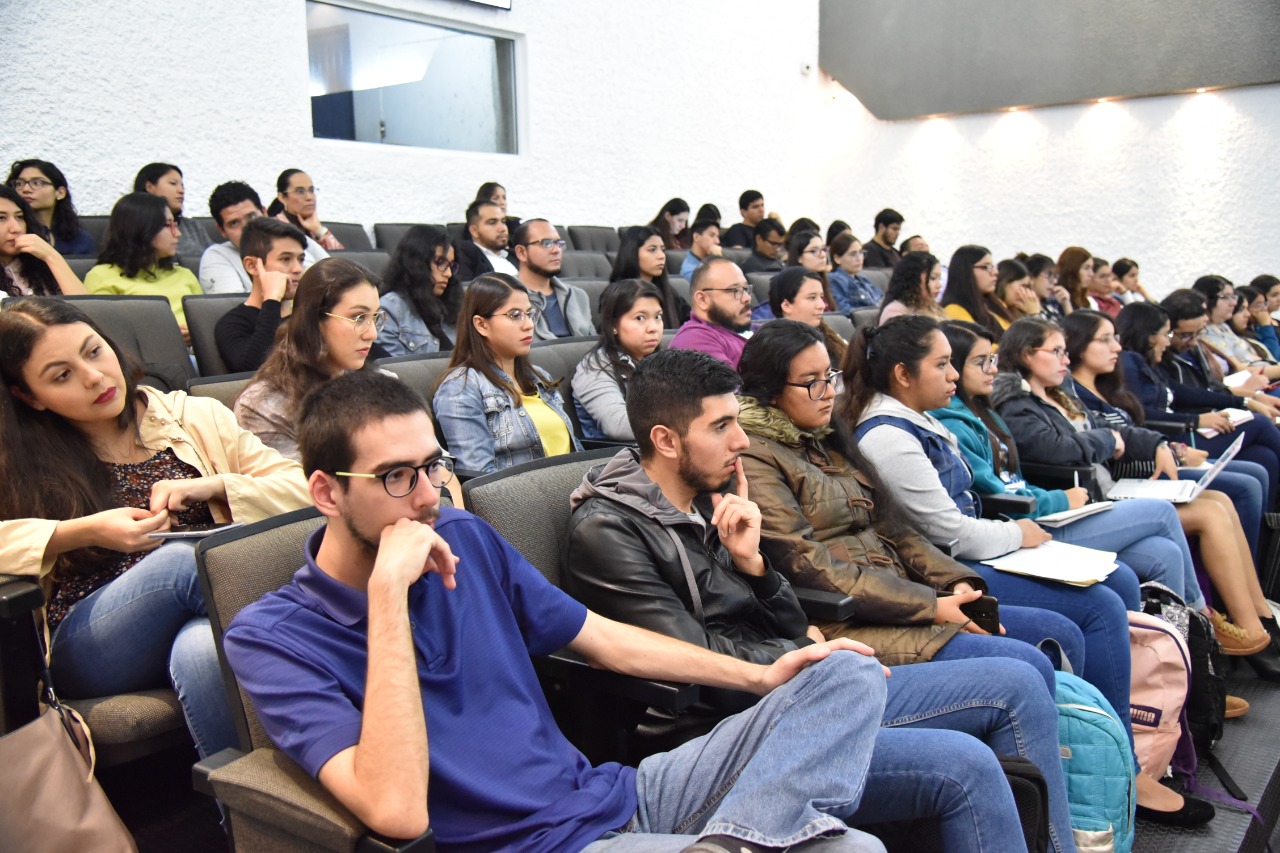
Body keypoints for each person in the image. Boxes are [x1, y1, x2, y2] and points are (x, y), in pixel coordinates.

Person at [224, 368, 893, 853]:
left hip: (613, 793)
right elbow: (396, 811)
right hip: (533, 845)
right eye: (397, 476)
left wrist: (761, 676)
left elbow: (599, 637)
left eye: (433, 466)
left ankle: (729, 844)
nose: (429, 496)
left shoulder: (463, 536)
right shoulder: (272, 637)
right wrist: (387, 598)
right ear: (326, 491)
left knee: (845, 676)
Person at [565, 346, 1072, 852]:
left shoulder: (712, 497)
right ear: (665, 440)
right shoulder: (608, 531)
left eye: (737, 422)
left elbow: (789, 622)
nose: (742, 441)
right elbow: (691, 657)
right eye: (720, 427)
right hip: (727, 731)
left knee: (1018, 680)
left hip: (798, 691)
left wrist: (754, 567)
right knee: (966, 764)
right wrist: (801, 654)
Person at [838, 314, 1215, 825]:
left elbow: (972, 506)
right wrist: (1022, 533)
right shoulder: (888, 435)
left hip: (975, 550)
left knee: (1121, 578)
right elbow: (950, 533)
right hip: (952, 569)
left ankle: (1128, 743)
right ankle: (1117, 766)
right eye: (943, 364)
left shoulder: (921, 418)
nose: (954, 376)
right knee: (1101, 606)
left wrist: (1021, 524)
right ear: (904, 374)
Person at [0, 297, 309, 761]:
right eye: (61, 375)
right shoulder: (17, 460)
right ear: (28, 395)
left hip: (209, 614)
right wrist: (80, 532)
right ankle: (326, 630)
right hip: (90, 642)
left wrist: (218, 487)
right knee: (187, 561)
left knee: (202, 648)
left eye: (93, 351)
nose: (95, 377)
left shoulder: (193, 417)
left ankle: (258, 820)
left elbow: (306, 488)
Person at [949, 317, 1274, 663]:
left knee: (1164, 551)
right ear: (1028, 355)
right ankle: (1202, 630)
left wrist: (1157, 444)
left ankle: (1178, 674)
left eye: (993, 360)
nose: (1066, 359)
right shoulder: (1008, 406)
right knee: (1187, 509)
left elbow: (1111, 432)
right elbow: (1051, 455)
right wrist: (1102, 449)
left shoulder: (1034, 399)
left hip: (1076, 500)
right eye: (1056, 351)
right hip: (1051, 512)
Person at [1058, 312, 1280, 670]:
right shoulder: (1073, 397)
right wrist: (1170, 448)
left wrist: (1166, 448)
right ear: (1078, 344)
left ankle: (1260, 616)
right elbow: (1107, 454)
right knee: (1215, 507)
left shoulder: (1105, 387)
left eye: (1116, 337)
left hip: (1139, 479)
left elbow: (1136, 434)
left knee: (1223, 496)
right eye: (1105, 339)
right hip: (1118, 490)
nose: (1117, 346)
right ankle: (1251, 632)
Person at [1115, 298, 1280, 507]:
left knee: (1263, 457)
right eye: (1167, 334)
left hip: (1178, 431)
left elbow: (1185, 393)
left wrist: (1242, 401)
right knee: (1260, 424)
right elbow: (1141, 414)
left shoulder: (1146, 362)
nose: (1168, 342)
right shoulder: (1128, 362)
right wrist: (1196, 420)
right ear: (1148, 336)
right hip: (1170, 437)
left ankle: (1269, 529)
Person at [234, 258, 382, 461]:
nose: (372, 334)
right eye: (359, 318)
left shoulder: (382, 383)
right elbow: (302, 487)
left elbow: (433, 460)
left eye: (375, 318)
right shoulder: (264, 406)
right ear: (314, 321)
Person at [433, 273, 580, 474]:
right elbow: (479, 477)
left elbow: (574, 451)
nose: (529, 324)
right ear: (481, 324)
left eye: (529, 313)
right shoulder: (462, 386)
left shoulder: (538, 376)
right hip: (523, 501)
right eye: (515, 315)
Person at [85, 192, 202, 338]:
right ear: (142, 229)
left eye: (176, 225)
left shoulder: (184, 274)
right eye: (168, 225)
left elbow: (203, 323)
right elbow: (106, 333)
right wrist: (164, 336)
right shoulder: (102, 276)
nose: (178, 233)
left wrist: (196, 335)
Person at [572, 279, 665, 441]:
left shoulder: (662, 361)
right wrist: (685, 421)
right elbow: (619, 425)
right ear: (613, 324)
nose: (653, 328)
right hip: (620, 459)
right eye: (640, 318)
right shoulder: (595, 367)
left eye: (658, 317)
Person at [213, 218, 308, 374]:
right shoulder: (233, 323)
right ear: (252, 266)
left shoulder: (307, 313)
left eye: (301, 259)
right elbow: (255, 370)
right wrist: (271, 300)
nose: (298, 268)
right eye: (285, 259)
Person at [199, 181, 328, 294]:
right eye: (234, 223)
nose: (247, 227)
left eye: (251, 217)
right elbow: (233, 306)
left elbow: (335, 275)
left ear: (265, 213)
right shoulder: (216, 256)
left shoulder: (291, 238)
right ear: (222, 230)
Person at [376, 224, 461, 357]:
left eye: (451, 265)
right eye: (440, 262)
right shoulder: (390, 308)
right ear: (416, 263)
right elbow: (392, 370)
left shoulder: (452, 306)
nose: (449, 274)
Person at [513, 219, 596, 340]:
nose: (556, 250)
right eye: (546, 243)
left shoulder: (578, 295)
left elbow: (593, 343)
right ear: (521, 252)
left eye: (559, 243)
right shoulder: (507, 298)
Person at [0, 185, 87, 296]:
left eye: (20, 217)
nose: (16, 228)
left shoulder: (37, 266)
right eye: (1, 218)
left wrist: (51, 256)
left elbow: (86, 308)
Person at [668, 258, 753, 370]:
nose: (747, 298)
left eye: (745, 289)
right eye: (734, 290)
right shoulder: (695, 340)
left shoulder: (755, 330)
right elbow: (731, 387)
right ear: (702, 299)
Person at [7, 159, 95, 255]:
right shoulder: (10, 234)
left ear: (60, 193)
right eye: (19, 183)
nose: (26, 189)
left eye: (37, 183)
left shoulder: (79, 240)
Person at [611, 225, 689, 327]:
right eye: (652, 250)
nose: (661, 256)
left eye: (663, 250)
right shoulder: (617, 295)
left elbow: (690, 321)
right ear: (632, 253)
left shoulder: (670, 293)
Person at [134, 162, 212, 261]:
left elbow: (214, 257)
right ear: (149, 187)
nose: (181, 190)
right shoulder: (133, 226)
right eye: (173, 183)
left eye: (182, 186)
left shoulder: (192, 226)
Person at [767, 268, 846, 364]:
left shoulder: (832, 339)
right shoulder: (773, 351)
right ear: (786, 306)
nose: (822, 305)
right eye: (812, 297)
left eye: (821, 297)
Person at [941, 245, 1012, 338]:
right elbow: (977, 346)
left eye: (993, 266)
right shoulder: (953, 310)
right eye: (986, 267)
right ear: (966, 271)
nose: (995, 272)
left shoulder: (995, 303)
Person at [267, 169, 345, 251]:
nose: (309, 197)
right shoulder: (273, 230)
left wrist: (319, 230)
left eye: (311, 190)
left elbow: (341, 260)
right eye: (300, 191)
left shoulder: (313, 229)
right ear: (282, 197)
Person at [455, 198, 517, 281]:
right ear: (474, 231)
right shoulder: (465, 254)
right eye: (492, 222)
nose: (502, 228)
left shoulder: (514, 255)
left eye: (503, 221)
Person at [877, 251, 945, 323]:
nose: (939, 285)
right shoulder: (895, 312)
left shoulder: (933, 308)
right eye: (933, 278)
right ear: (913, 279)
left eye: (939, 279)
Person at [828, 232, 883, 314]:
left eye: (861, 252)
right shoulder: (834, 280)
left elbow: (883, 299)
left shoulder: (863, 280)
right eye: (853, 254)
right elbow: (844, 310)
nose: (859, 258)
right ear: (837, 258)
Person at [1233, 284, 1280, 362]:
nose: (1264, 309)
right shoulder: (1248, 333)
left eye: (1265, 304)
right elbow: (1276, 357)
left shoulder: (1257, 327)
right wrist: (1266, 326)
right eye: (1258, 305)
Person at [1019, 252, 1072, 320]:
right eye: (1049, 275)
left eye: (1055, 276)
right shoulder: (1023, 307)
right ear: (1031, 278)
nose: (1054, 281)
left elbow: (1072, 329)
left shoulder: (1049, 306)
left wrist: (1066, 304)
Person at [1057, 247, 1095, 311]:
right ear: (1073, 269)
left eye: (1092, 268)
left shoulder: (1086, 300)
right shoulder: (1060, 298)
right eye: (1086, 268)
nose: (1091, 274)